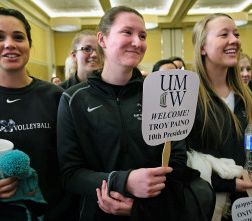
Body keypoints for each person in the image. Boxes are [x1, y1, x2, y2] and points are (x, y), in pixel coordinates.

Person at [57, 6, 187, 221]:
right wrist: (123, 182)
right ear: (102, 39)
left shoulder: (160, 94)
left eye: (142, 35)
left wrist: (143, 207)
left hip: (153, 211)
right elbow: (70, 174)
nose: (137, 42)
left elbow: (178, 159)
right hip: (96, 214)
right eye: (127, 32)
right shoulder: (73, 99)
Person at [0, 7, 76, 220]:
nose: (9, 44)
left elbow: (74, 163)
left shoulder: (57, 97)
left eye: (18, 37)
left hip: (54, 213)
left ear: (29, 44)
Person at [189, 13, 252, 220]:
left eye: (236, 34)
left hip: (250, 204)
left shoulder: (249, 97)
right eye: (224, 34)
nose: (234, 40)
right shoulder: (187, 99)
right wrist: (229, 183)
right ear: (202, 47)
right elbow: (178, 165)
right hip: (206, 208)